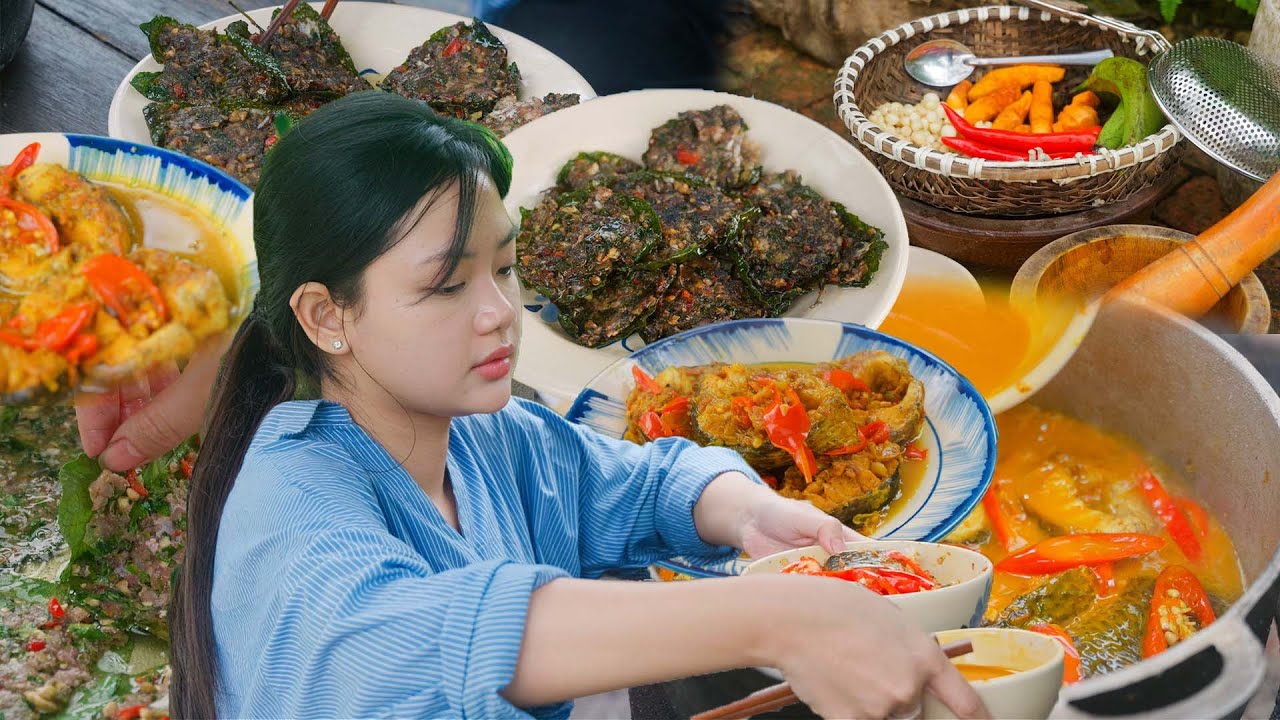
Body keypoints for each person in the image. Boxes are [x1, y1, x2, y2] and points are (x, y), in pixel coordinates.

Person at [147, 91, 988, 719]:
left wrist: (747, 514)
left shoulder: (490, 437)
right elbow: (400, 642)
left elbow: (642, 481)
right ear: (327, 316)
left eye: (504, 269)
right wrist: (776, 616)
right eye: (446, 285)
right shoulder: (288, 500)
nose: (498, 312)